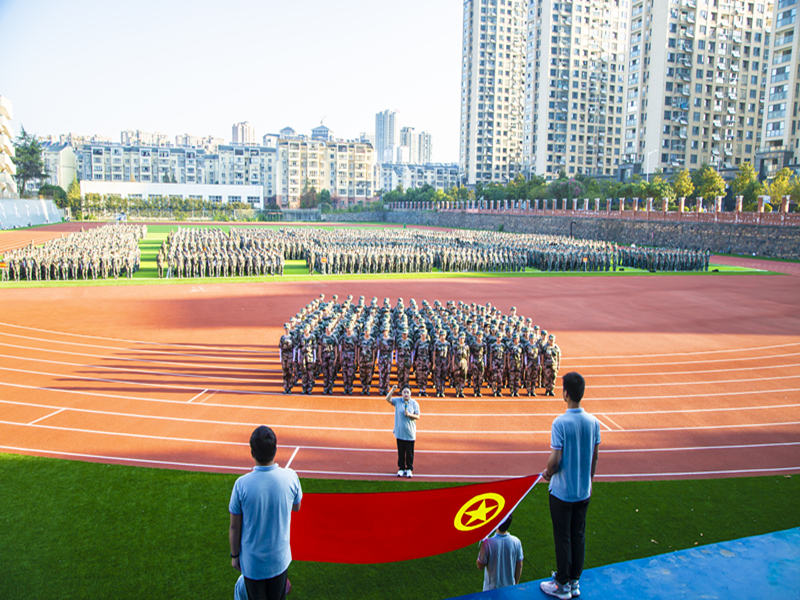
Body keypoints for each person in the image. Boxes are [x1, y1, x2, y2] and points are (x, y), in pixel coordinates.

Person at [540, 372, 600, 600]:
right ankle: (574, 581)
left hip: (563, 492)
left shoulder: (560, 423)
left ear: (565, 393)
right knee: (579, 535)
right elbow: (594, 457)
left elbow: (555, 460)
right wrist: (589, 482)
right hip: (583, 491)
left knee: (562, 536)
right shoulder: (594, 422)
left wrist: (547, 472)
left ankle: (562, 584)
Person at [229, 425, 302, 600]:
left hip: (253, 564)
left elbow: (234, 526)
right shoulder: (291, 477)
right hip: (279, 559)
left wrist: (234, 555)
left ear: (252, 452)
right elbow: (297, 506)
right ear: (275, 450)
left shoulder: (241, 485)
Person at [476, 512, 523, 591]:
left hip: (491, 591)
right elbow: (519, 565)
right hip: (509, 589)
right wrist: (516, 584)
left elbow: (480, 566)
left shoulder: (487, 543)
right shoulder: (516, 541)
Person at [385, 384, 420, 478]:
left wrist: (409, 415)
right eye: (404, 392)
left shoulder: (414, 403)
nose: (406, 394)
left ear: (410, 393)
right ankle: (401, 468)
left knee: (409, 452)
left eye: (407, 392)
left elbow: (417, 416)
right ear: (402, 393)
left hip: (410, 433)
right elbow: (387, 399)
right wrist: (392, 390)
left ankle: (409, 468)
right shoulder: (397, 401)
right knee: (401, 452)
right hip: (400, 432)